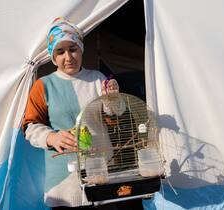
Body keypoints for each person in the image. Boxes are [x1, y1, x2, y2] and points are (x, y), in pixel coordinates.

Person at [22, 17, 143, 210]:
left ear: (81, 49)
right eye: (60, 52)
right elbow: (30, 126)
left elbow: (115, 116)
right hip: (64, 182)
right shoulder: (43, 85)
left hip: (102, 172)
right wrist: (51, 137)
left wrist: (113, 98)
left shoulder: (97, 79)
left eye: (73, 49)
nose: (68, 57)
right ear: (53, 56)